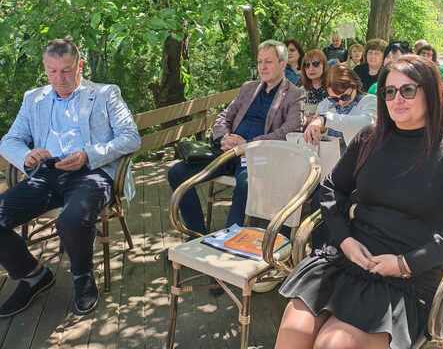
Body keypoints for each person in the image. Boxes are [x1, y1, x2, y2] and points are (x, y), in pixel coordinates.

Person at [275, 55, 443, 349]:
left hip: (405, 274)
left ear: (430, 92)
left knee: (333, 344)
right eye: (389, 91)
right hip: (348, 256)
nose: (396, 99)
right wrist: (345, 240)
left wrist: (405, 264)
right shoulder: (370, 138)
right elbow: (331, 189)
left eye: (407, 90)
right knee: (294, 331)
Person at [0, 37, 141, 318]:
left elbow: (131, 137)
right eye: (52, 71)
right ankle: (33, 275)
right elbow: (10, 140)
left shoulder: (105, 93)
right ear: (45, 68)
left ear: (80, 66)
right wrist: (27, 156)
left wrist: (88, 155)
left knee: (72, 219)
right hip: (46, 175)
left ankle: (82, 277)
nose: (59, 78)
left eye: (66, 70)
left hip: (92, 173)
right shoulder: (34, 98)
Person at [167, 40, 304, 233]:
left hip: (257, 157)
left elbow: (290, 130)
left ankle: (230, 238)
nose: (262, 67)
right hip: (228, 151)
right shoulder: (249, 88)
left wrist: (249, 145)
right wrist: (223, 137)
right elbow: (224, 116)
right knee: (177, 172)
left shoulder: (295, 94)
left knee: (245, 182)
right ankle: (197, 233)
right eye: (259, 62)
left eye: (268, 62)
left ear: (282, 64)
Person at [305, 64, 376, 149]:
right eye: (334, 99)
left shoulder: (370, 101)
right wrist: (319, 130)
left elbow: (368, 123)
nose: (341, 102)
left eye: (345, 97)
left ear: (355, 85)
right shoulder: (325, 104)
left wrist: (325, 119)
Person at [301, 49, 329, 115]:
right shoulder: (300, 92)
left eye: (315, 64)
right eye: (307, 65)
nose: (311, 69)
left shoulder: (333, 89)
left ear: (324, 66)